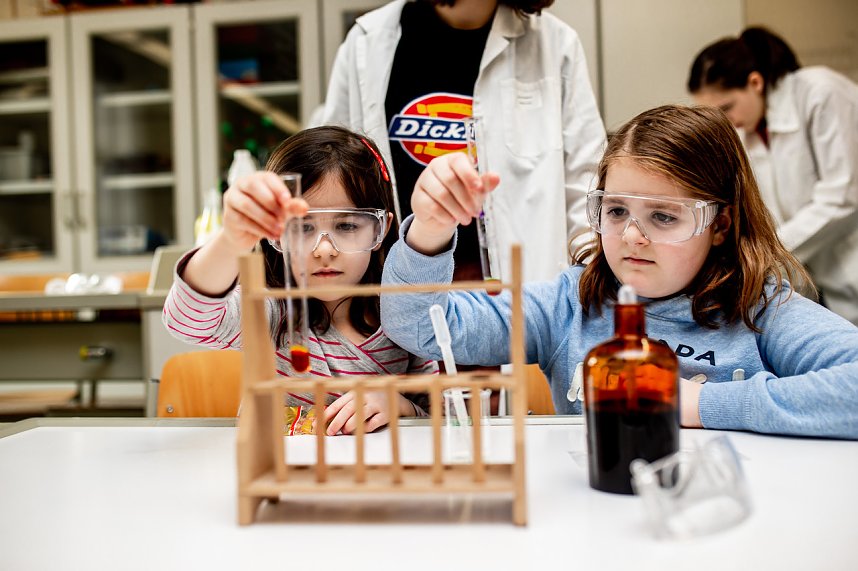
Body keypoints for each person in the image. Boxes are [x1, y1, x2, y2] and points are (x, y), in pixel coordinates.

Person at [380, 104, 858, 439]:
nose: (631, 237)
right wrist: (429, 230)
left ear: (720, 224)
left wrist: (696, 404)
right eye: (615, 211)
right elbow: (418, 327)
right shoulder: (570, 305)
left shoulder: (760, 309)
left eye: (664, 216)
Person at [163, 126, 437, 435]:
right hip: (282, 477)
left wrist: (398, 405)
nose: (323, 250)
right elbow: (185, 321)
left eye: (346, 225)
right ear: (275, 232)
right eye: (303, 228)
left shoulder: (407, 317)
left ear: (381, 229)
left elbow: (442, 420)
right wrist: (231, 239)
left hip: (376, 477)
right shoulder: (272, 312)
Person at [320, 0, 606, 282]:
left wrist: (585, 297)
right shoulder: (366, 42)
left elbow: (587, 191)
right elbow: (331, 178)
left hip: (523, 299)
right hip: (398, 296)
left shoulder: (557, 45)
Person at [688, 27, 858, 325]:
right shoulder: (749, 131)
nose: (727, 122)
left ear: (755, 82)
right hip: (820, 279)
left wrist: (768, 251)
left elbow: (843, 196)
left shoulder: (819, 92)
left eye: (726, 108)